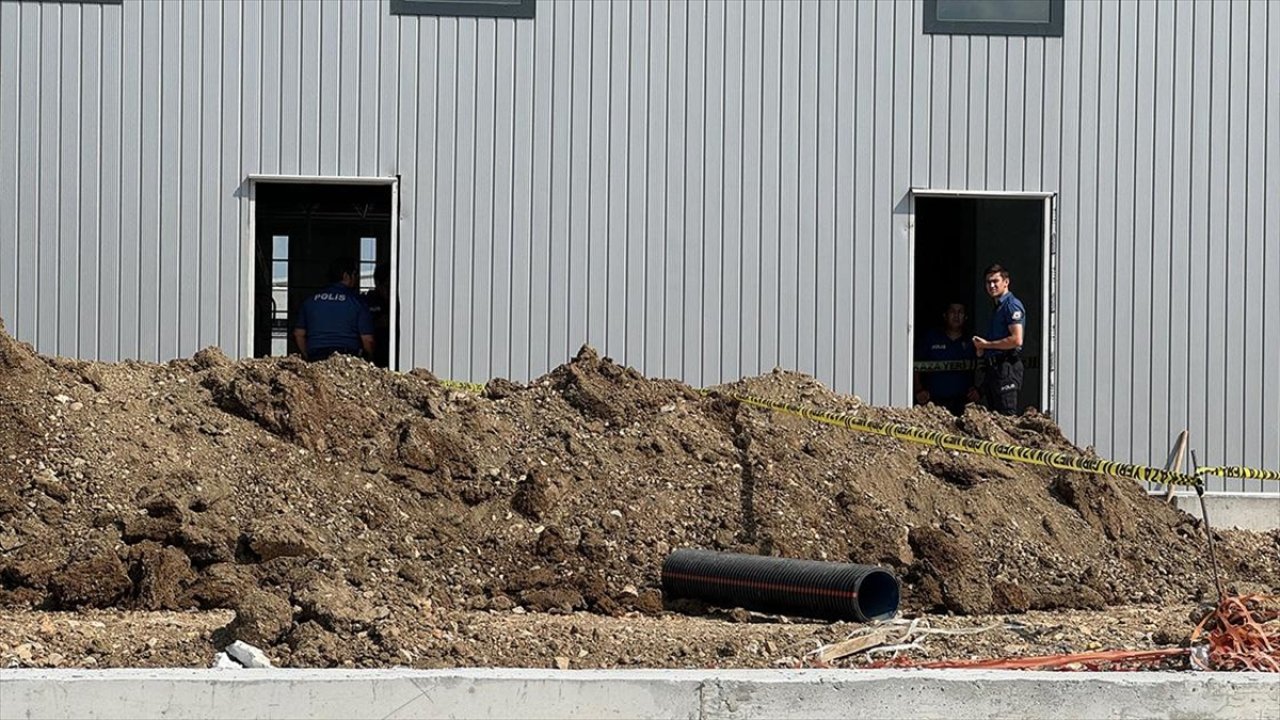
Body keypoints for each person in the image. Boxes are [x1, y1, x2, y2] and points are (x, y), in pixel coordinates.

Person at [292, 257, 374, 362]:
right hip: (347, 360)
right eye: (354, 274)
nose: (356, 278)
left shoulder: (310, 301)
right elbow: (368, 340)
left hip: (317, 359)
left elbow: (298, 334)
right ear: (346, 276)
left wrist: (307, 356)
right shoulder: (357, 302)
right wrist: (370, 360)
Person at [972, 263, 1026, 415]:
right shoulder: (998, 307)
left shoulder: (1011, 305)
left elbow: (1016, 340)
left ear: (1006, 282)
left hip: (1006, 368)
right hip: (994, 370)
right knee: (995, 419)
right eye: (988, 282)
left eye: (995, 281)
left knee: (1007, 418)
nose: (991, 285)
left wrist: (987, 345)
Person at [913, 302, 981, 415]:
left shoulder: (973, 342)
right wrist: (918, 389)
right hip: (933, 403)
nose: (956, 315)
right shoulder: (931, 338)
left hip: (964, 404)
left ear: (965, 317)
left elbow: (986, 368)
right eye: (952, 311)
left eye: (960, 312)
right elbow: (915, 365)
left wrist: (980, 390)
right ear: (945, 315)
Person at [360, 262, 392, 368]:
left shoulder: (400, 302)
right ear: (377, 283)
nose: (389, 291)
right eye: (387, 286)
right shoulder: (367, 301)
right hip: (373, 352)